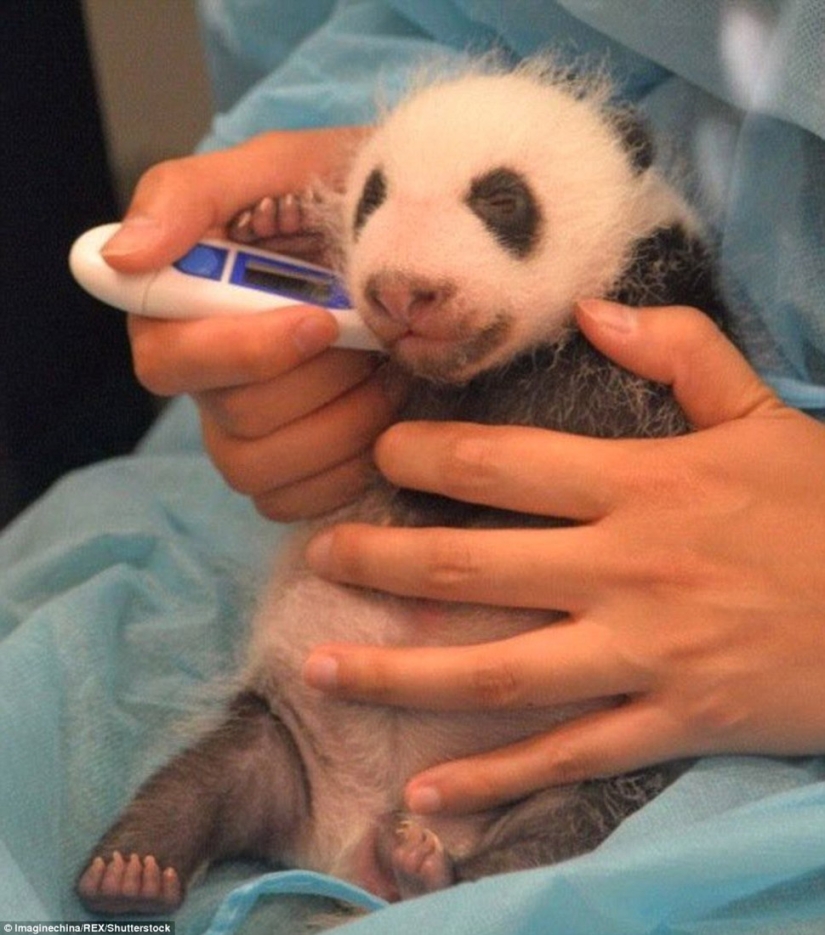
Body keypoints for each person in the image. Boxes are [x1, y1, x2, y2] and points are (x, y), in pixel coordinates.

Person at [3, 2, 825, 931]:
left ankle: (477, 874)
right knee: (175, 749)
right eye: (374, 201)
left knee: (587, 833)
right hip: (314, 729)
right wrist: (285, 338)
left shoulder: (655, 281)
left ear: (623, 173)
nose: (401, 277)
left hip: (717, 722)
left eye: (499, 204)